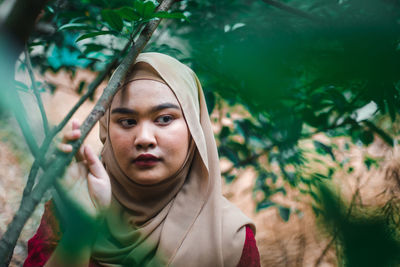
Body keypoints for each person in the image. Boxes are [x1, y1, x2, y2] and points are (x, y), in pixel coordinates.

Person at [24, 52, 260, 266]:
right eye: (127, 121)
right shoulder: (73, 207)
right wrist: (81, 229)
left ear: (194, 129)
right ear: (106, 129)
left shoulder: (231, 240)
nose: (144, 139)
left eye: (165, 118)